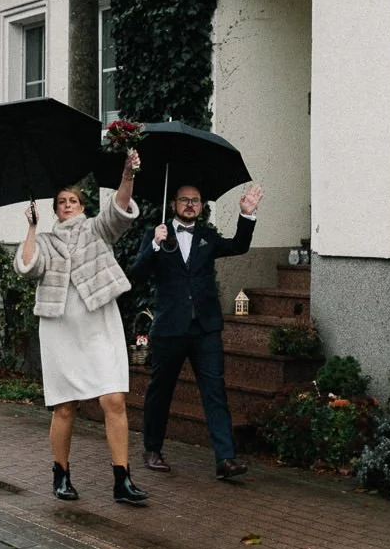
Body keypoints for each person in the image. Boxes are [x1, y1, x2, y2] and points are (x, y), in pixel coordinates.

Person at [15, 151, 148, 506]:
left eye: (73, 200)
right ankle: (61, 473)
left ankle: (122, 479)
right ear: (55, 209)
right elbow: (28, 267)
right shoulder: (45, 240)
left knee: (114, 398)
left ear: (82, 204)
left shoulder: (96, 229)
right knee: (65, 407)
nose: (68, 205)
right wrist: (31, 227)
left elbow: (119, 211)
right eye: (61, 201)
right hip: (60, 330)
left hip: (100, 324)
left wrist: (127, 174)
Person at [131, 182, 263, 480]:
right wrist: (154, 245)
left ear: (202, 206)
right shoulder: (158, 235)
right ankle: (152, 449)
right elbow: (136, 274)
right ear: (174, 204)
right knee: (160, 391)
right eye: (184, 200)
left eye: (196, 200)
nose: (190, 205)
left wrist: (247, 215)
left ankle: (225, 459)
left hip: (205, 328)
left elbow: (238, 246)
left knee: (215, 391)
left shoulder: (207, 237)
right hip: (170, 328)